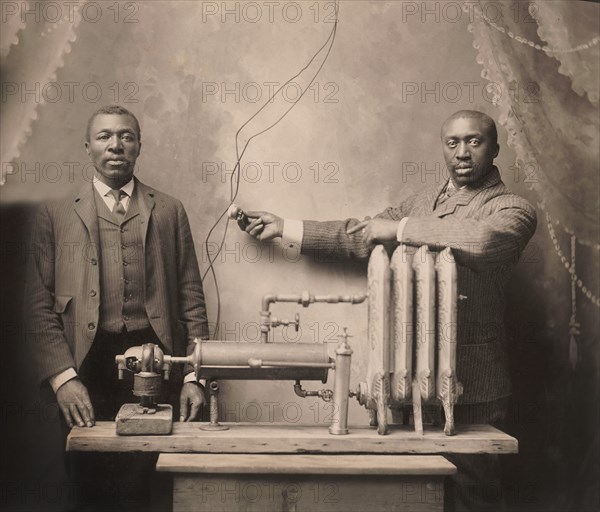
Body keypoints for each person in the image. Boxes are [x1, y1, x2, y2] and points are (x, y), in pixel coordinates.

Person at [243, 110, 538, 511]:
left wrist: (399, 230)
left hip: (473, 383)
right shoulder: (420, 202)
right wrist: (286, 227)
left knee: (472, 497)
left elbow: (484, 241)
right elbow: (359, 236)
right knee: (412, 493)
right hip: (406, 376)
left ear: (495, 148)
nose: (462, 153)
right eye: (452, 143)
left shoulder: (512, 208)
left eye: (474, 141)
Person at [24, 105, 208, 510]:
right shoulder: (55, 214)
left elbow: (192, 298)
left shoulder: (170, 210)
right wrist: (62, 378)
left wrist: (196, 375)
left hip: (158, 361)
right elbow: (37, 306)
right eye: (105, 136)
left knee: (152, 482)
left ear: (139, 146)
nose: (116, 145)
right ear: (88, 147)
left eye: (126, 136)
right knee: (89, 483)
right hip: (84, 365)